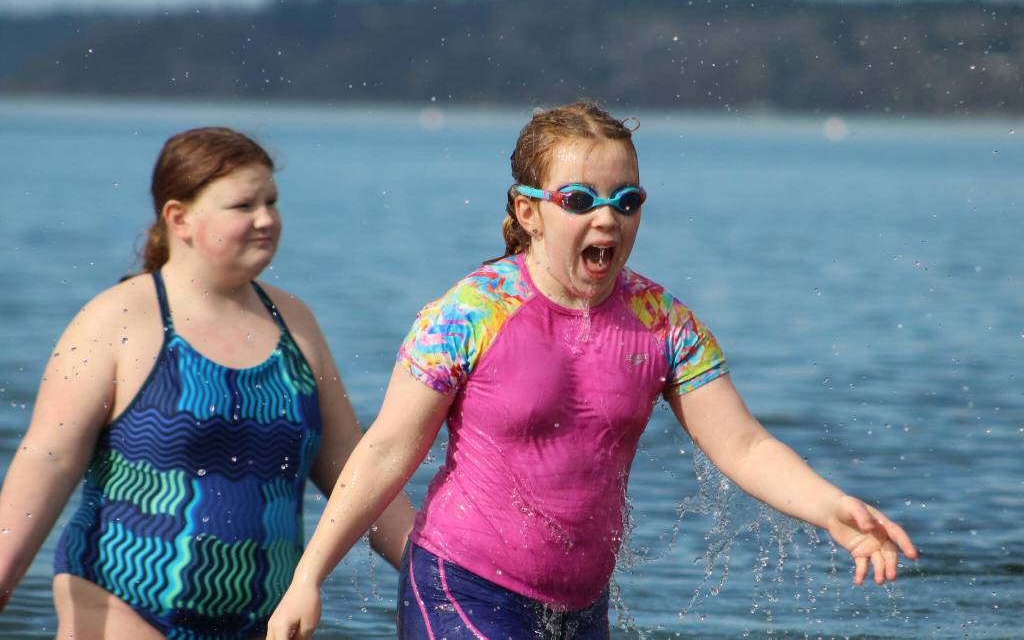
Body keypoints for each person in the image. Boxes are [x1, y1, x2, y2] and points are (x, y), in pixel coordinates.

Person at [266, 101, 918, 640]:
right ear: (528, 212)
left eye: (625, 200)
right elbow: (386, 450)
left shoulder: (663, 322)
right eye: (579, 199)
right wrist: (308, 577)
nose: (606, 217)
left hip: (581, 608)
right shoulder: (468, 314)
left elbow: (744, 445)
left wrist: (829, 506)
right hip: (462, 587)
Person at [0, 127, 414, 639]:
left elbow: (358, 470)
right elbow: (49, 459)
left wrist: (441, 577)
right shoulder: (116, 320)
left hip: (264, 620)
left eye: (272, 201)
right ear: (179, 219)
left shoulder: (295, 322)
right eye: (243, 205)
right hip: (121, 604)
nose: (266, 219)